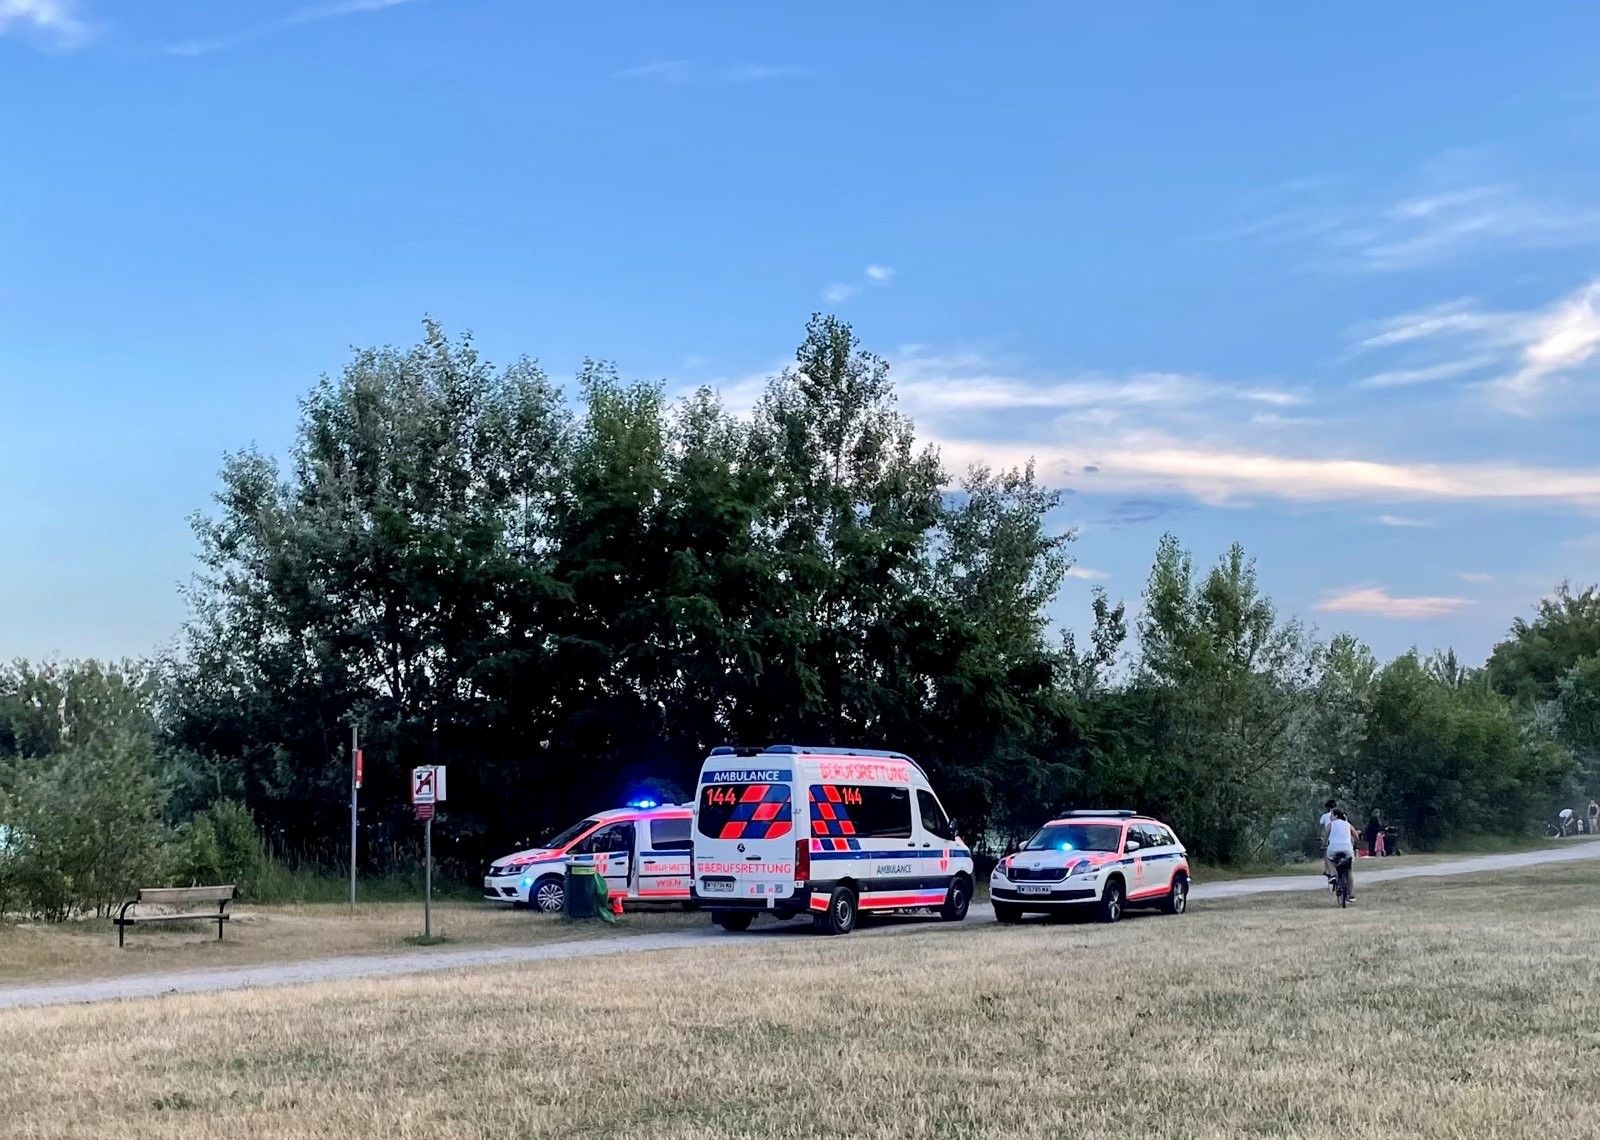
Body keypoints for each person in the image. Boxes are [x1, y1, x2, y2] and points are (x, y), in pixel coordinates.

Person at [1326, 809, 1357, 901]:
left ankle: (1333, 875)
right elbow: (1356, 836)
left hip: (1334, 848)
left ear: (1336, 816)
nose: (1331, 817)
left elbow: (1325, 836)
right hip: (1347, 848)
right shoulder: (1348, 824)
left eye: (1331, 815)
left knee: (1328, 858)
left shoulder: (1331, 824)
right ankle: (1351, 895)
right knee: (1349, 870)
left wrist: (1324, 844)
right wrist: (1354, 843)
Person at [1319, 799, 1337, 875]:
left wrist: (1320, 836)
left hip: (1329, 838)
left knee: (1325, 853)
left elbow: (1321, 828)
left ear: (1327, 808)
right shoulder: (1340, 815)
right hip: (1338, 837)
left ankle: (1328, 870)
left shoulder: (1324, 816)